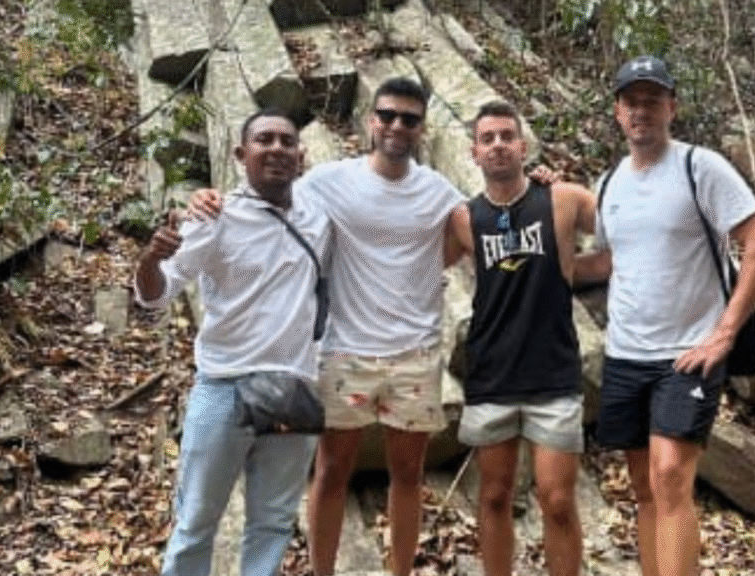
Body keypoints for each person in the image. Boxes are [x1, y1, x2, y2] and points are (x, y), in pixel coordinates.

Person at [188, 77, 464, 576]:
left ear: (422, 128)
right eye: (388, 115)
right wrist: (209, 200)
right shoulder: (328, 181)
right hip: (344, 352)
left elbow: (471, 233)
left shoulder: (438, 191)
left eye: (410, 118)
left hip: (415, 354)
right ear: (370, 120)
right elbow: (264, 195)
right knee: (332, 470)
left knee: (409, 475)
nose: (397, 126)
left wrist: (429, 270)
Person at [574, 56, 755, 576]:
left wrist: (724, 334)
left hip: (686, 353)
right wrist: (545, 268)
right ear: (618, 112)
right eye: (630, 101)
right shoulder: (609, 183)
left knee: (670, 477)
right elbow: (611, 259)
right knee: (644, 488)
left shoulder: (699, 167)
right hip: (625, 352)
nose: (640, 110)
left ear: (672, 107)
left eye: (651, 100)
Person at [134, 109, 331, 576]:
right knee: (196, 520)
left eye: (287, 142)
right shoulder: (214, 216)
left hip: (293, 388)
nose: (277, 150)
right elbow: (156, 295)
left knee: (274, 523)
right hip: (224, 384)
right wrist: (150, 257)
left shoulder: (320, 217)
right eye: (264, 140)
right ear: (241, 154)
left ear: (301, 156)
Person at [444, 101, 597, 576]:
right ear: (474, 152)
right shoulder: (465, 218)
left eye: (507, 136)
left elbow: (626, 223)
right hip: (493, 372)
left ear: (523, 146)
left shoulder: (563, 198)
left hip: (552, 370)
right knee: (493, 496)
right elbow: (419, 267)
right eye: (487, 138)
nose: (498, 145)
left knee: (555, 499)